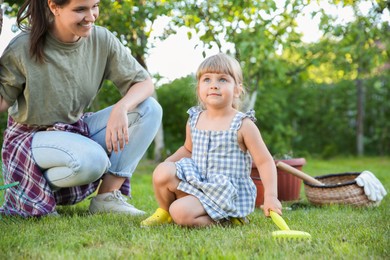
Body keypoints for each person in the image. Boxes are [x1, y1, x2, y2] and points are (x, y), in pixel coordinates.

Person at [0, 0, 162, 217]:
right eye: (80, 9)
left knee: (149, 108)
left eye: (94, 6)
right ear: (54, 7)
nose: (91, 16)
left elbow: (144, 83)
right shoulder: (22, 46)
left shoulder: (101, 39)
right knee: (94, 160)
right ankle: (30, 191)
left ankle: (107, 198)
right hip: (30, 138)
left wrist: (122, 107)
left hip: (75, 129)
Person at [141, 53, 282, 228]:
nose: (214, 85)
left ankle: (228, 221)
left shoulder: (243, 125)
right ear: (199, 88)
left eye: (222, 80)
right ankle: (164, 211)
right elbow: (188, 149)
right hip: (199, 182)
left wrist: (270, 196)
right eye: (207, 79)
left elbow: (264, 161)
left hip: (225, 193)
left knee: (180, 211)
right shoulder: (194, 119)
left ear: (237, 90)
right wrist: (166, 165)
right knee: (162, 171)